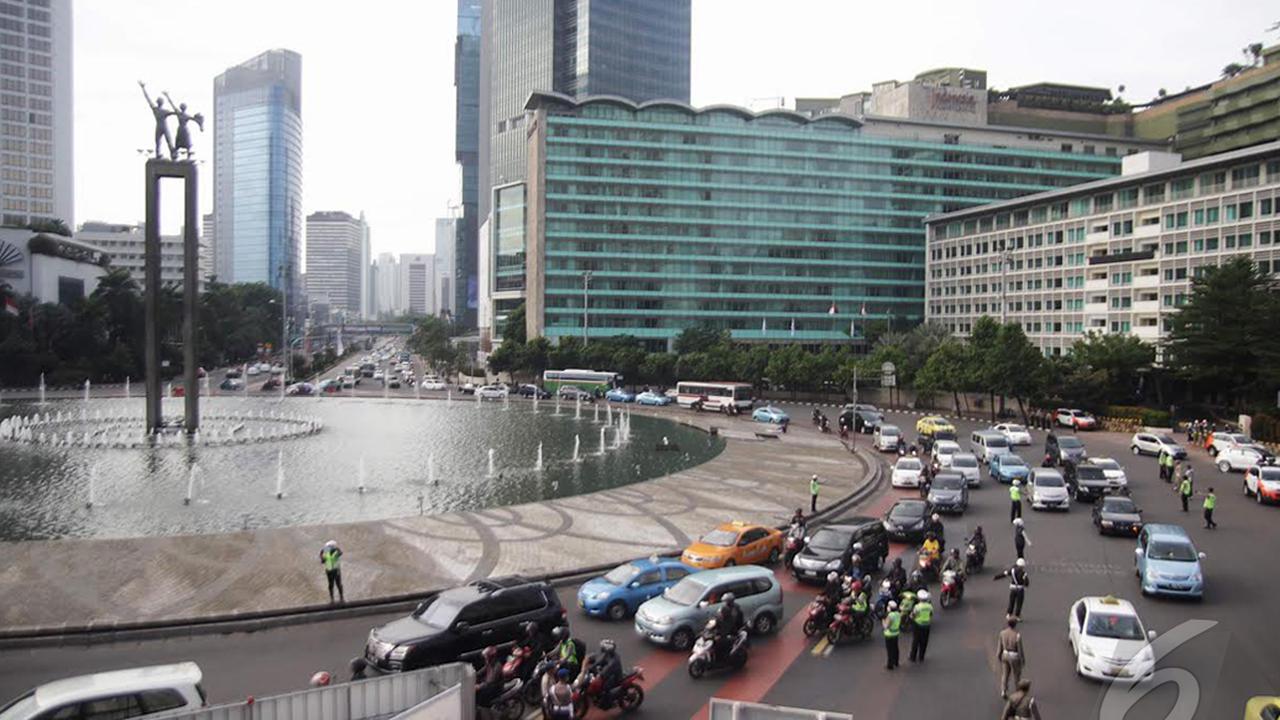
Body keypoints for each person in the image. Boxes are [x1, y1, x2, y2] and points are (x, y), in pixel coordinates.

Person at [583, 639, 623, 706]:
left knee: (604, 687)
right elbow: (600, 661)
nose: (602, 650)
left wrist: (600, 675)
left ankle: (609, 703)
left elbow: (608, 669)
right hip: (608, 674)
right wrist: (591, 668)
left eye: (603, 649)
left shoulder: (614, 660)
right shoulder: (607, 655)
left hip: (615, 677)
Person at [996, 616, 1025, 699]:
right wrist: (1022, 660)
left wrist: (998, 655)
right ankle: (1017, 692)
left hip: (1005, 655)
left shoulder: (1002, 633)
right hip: (1014, 656)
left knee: (1005, 674)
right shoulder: (1017, 635)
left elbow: (1000, 646)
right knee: (1016, 675)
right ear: (1015, 624)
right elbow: (1020, 649)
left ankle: (1003, 690)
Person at [909, 589, 933, 663]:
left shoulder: (917, 607)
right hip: (927, 625)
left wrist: (911, 618)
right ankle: (921, 656)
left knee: (916, 641)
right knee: (924, 641)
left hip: (918, 625)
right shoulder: (929, 606)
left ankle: (913, 657)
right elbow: (931, 614)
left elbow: (913, 615)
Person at [882, 600, 902, 670]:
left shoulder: (890, 616)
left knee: (890, 650)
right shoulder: (898, 614)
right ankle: (896, 662)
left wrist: (883, 621)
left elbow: (886, 626)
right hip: (896, 633)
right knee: (895, 648)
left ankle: (890, 665)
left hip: (889, 634)